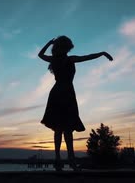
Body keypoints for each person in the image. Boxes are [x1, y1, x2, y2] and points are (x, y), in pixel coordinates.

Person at [38, 36, 113, 171]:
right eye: (68, 47)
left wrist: (49, 43)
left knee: (59, 129)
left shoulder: (56, 59)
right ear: (66, 48)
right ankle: (69, 161)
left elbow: (40, 55)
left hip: (58, 94)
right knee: (66, 129)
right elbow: (87, 57)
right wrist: (102, 53)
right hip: (66, 94)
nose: (69, 49)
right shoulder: (69, 59)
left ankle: (59, 161)